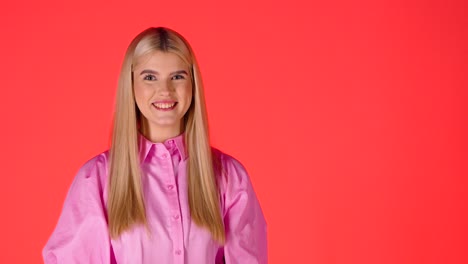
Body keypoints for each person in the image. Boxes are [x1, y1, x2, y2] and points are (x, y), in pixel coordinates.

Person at [42, 27, 267, 263]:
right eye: (150, 77)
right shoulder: (97, 179)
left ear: (193, 83)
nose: (165, 90)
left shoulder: (230, 178)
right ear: (131, 85)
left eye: (178, 76)